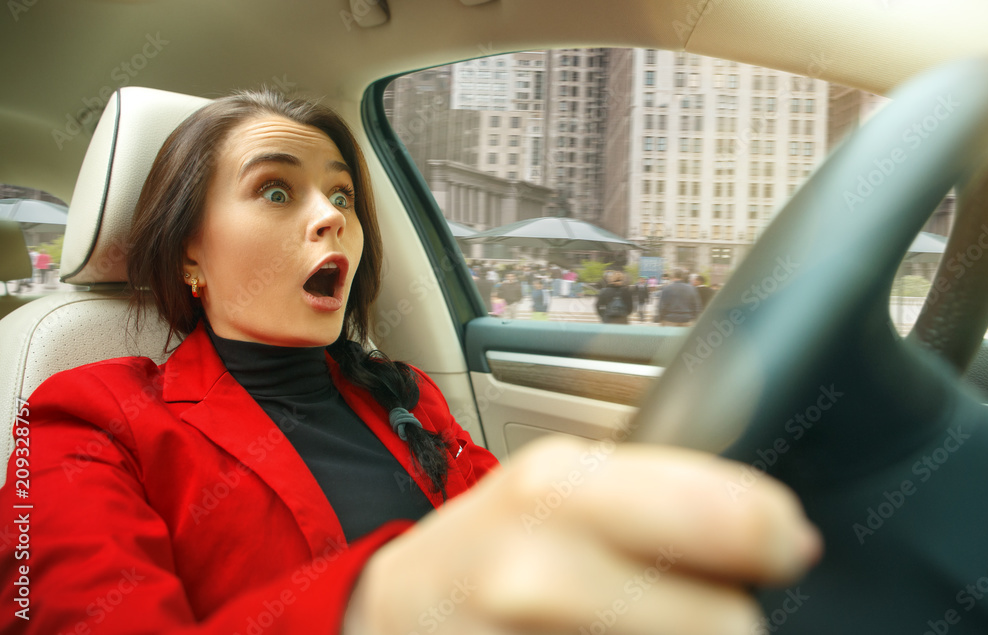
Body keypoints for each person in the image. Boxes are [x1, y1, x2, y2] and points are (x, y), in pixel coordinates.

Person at [0, 90, 821, 634]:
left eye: (342, 195)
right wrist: (378, 608)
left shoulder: (405, 394)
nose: (332, 216)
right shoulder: (84, 418)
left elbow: (517, 533)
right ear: (190, 253)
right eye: (276, 190)